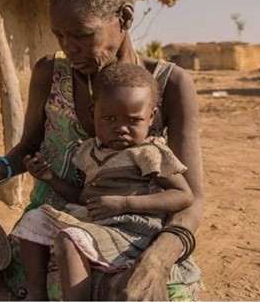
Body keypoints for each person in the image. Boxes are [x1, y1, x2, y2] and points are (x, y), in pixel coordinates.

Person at [0, 0, 203, 301]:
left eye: (82, 34)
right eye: (60, 35)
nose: (70, 46)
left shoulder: (169, 84)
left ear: (123, 17)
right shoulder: (50, 72)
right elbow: (28, 148)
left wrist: (156, 260)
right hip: (53, 231)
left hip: (134, 235)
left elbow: (191, 198)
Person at [11, 62, 198, 300]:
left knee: (69, 239)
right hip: (94, 222)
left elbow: (183, 195)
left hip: (131, 231)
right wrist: (50, 178)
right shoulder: (90, 151)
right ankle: (35, 292)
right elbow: (83, 198)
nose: (121, 128)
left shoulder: (149, 153)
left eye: (133, 121)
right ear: (92, 113)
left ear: (151, 117)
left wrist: (124, 203)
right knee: (33, 219)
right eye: (109, 118)